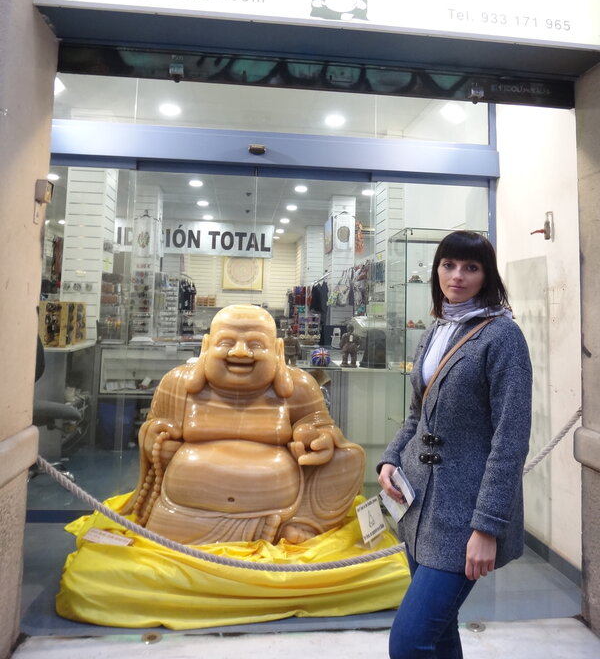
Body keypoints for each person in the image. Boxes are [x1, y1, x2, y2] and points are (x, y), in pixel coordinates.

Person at [377, 231, 532, 659]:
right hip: (418, 506)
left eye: (470, 267)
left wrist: (487, 527)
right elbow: (417, 414)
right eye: (448, 265)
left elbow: (511, 438)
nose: (457, 276)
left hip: (465, 514)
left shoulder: (503, 336)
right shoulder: (436, 329)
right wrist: (390, 458)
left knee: (409, 642)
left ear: (487, 276)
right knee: (440, 634)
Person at [124, 304, 365, 545]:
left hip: (282, 506)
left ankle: (301, 522)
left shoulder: (299, 385)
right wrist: (157, 439)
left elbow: (321, 427)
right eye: (226, 343)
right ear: (206, 346)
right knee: (169, 529)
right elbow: (152, 430)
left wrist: (318, 439)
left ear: (278, 350)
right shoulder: (177, 383)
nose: (240, 352)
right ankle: (280, 531)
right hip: (187, 511)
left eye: (255, 345)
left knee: (349, 459)